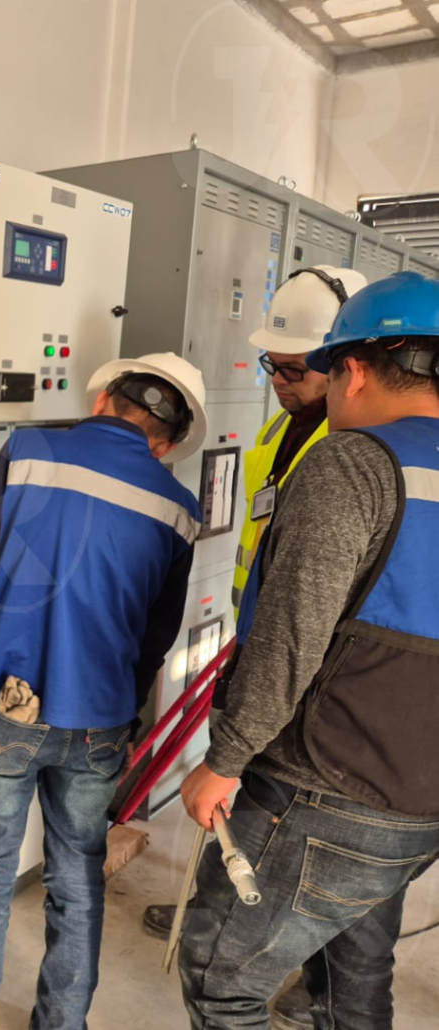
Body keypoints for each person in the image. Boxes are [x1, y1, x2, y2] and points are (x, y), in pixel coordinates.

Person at [0, 353, 207, 1030]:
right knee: (77, 874)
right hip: (100, 718)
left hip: (8, 700)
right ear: (166, 444)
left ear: (102, 402)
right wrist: (125, 713)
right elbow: (156, 635)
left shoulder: (29, 451)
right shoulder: (178, 508)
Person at [178, 270, 439, 1030]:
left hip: (329, 783)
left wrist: (225, 759)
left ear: (352, 371)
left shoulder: (353, 463)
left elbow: (292, 635)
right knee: (355, 972)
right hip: (422, 795)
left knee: (223, 982)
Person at [142, 265, 368, 946]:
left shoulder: (351, 454)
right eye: (272, 364)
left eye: (295, 369)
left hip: (308, 667)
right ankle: (216, 913)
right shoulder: (279, 431)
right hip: (258, 638)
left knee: (274, 810)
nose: (278, 380)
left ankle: (235, 938)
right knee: (243, 800)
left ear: (344, 363)